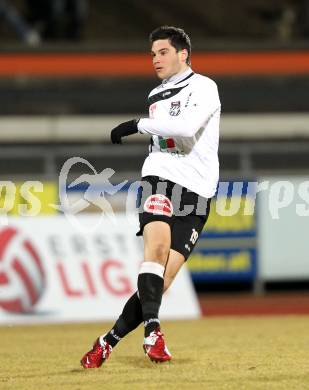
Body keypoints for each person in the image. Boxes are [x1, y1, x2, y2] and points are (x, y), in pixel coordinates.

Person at [81, 25, 221, 368]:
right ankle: (154, 331)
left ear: (182, 54)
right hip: (159, 179)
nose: (156, 60)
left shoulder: (204, 87)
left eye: (163, 52)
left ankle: (106, 341)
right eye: (153, 54)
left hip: (198, 192)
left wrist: (135, 125)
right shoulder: (156, 95)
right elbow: (165, 139)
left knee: (164, 280)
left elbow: (186, 127)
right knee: (155, 251)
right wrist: (144, 125)